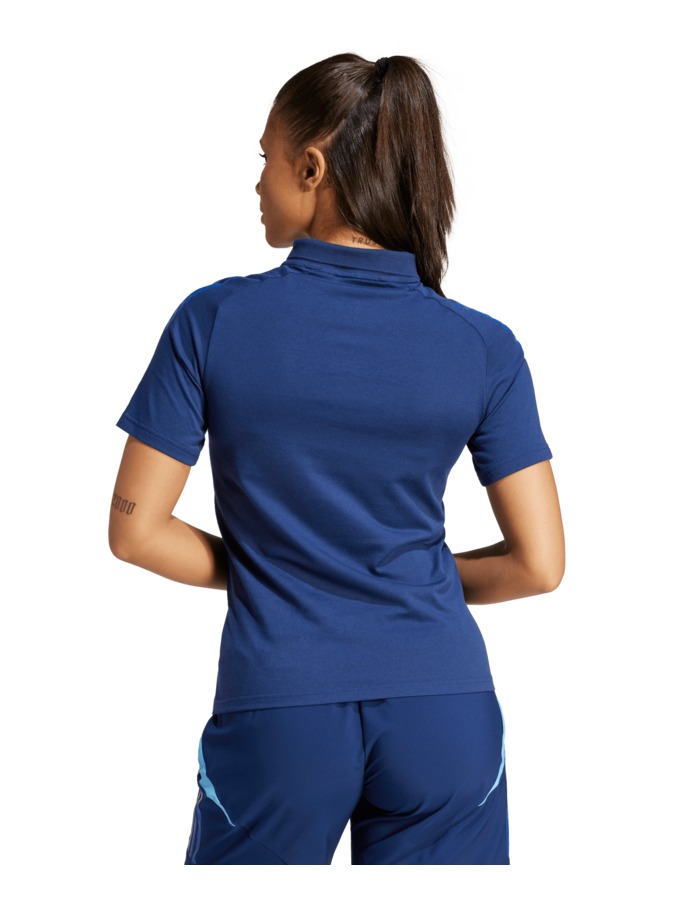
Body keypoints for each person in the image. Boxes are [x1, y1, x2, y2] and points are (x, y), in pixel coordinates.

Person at [109, 53, 565, 866]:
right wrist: (394, 573)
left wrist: (282, 568)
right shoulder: (482, 346)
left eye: (266, 158)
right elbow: (540, 565)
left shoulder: (213, 321)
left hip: (281, 706)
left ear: (311, 169)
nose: (256, 181)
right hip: (443, 711)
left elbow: (136, 532)